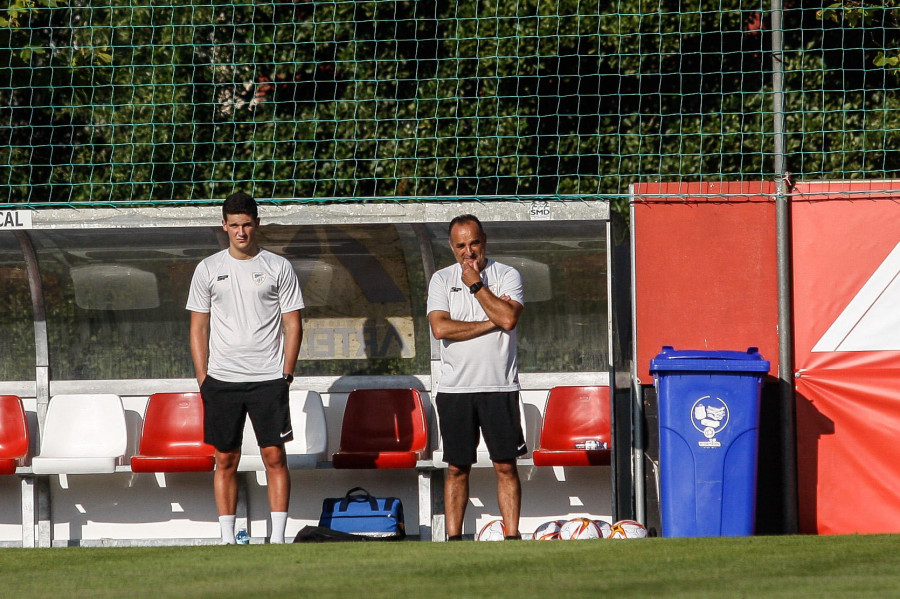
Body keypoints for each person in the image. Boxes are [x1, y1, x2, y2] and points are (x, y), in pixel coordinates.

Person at [186, 192, 304, 544]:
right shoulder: (208, 268)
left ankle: (278, 538)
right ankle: (227, 538)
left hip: (269, 378)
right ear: (224, 226)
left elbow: (293, 324)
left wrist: (286, 374)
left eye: (247, 224)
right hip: (222, 380)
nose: (241, 232)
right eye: (234, 225)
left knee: (274, 456)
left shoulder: (278, 267)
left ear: (257, 224)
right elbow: (198, 327)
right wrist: (203, 378)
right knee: (225, 459)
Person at [427, 214, 526, 540]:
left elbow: (509, 319)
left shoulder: (506, 275)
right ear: (452, 248)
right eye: (461, 246)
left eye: (474, 243)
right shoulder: (441, 279)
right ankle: (454, 540)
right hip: (455, 390)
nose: (468, 252)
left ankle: (512, 537)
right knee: (456, 468)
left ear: (485, 241)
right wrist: (491, 321)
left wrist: (477, 286)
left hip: (499, 386)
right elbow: (441, 328)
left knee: (505, 466)